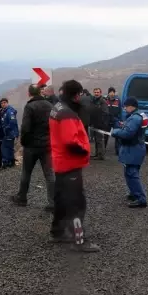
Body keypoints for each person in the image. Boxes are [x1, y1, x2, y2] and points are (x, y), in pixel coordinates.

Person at [49, 80, 100, 252]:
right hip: (70, 162)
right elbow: (70, 142)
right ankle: (78, 240)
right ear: (77, 94)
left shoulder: (57, 108)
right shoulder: (67, 114)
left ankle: (58, 231)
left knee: (61, 198)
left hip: (60, 162)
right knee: (76, 202)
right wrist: (84, 152)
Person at [11, 85, 55, 210]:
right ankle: (53, 203)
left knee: (26, 172)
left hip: (31, 146)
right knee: (50, 174)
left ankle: (22, 198)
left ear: (29, 93)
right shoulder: (50, 105)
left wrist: (24, 142)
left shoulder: (30, 106)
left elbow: (25, 128)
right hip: (47, 145)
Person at [111, 97, 148, 208]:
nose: (125, 109)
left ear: (131, 106)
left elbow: (127, 133)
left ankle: (141, 199)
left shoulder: (135, 118)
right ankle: (134, 193)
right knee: (129, 173)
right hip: (136, 148)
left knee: (132, 174)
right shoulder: (139, 115)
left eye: (126, 106)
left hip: (133, 149)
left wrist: (115, 132)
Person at [89, 87, 109, 160]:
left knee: (100, 140)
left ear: (100, 93)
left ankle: (101, 155)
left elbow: (105, 113)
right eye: (95, 92)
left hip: (100, 123)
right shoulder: (93, 101)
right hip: (94, 123)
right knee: (96, 140)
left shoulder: (102, 101)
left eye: (98, 92)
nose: (96, 93)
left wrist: (102, 122)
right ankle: (97, 154)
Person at [0, 98, 19, 169]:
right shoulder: (4, 111)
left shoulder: (9, 111)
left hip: (10, 133)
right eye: (2, 103)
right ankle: (11, 162)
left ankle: (8, 162)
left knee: (5, 148)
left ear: (7, 103)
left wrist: (6, 128)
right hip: (7, 133)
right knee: (8, 147)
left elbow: (12, 122)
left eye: (4, 103)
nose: (3, 104)